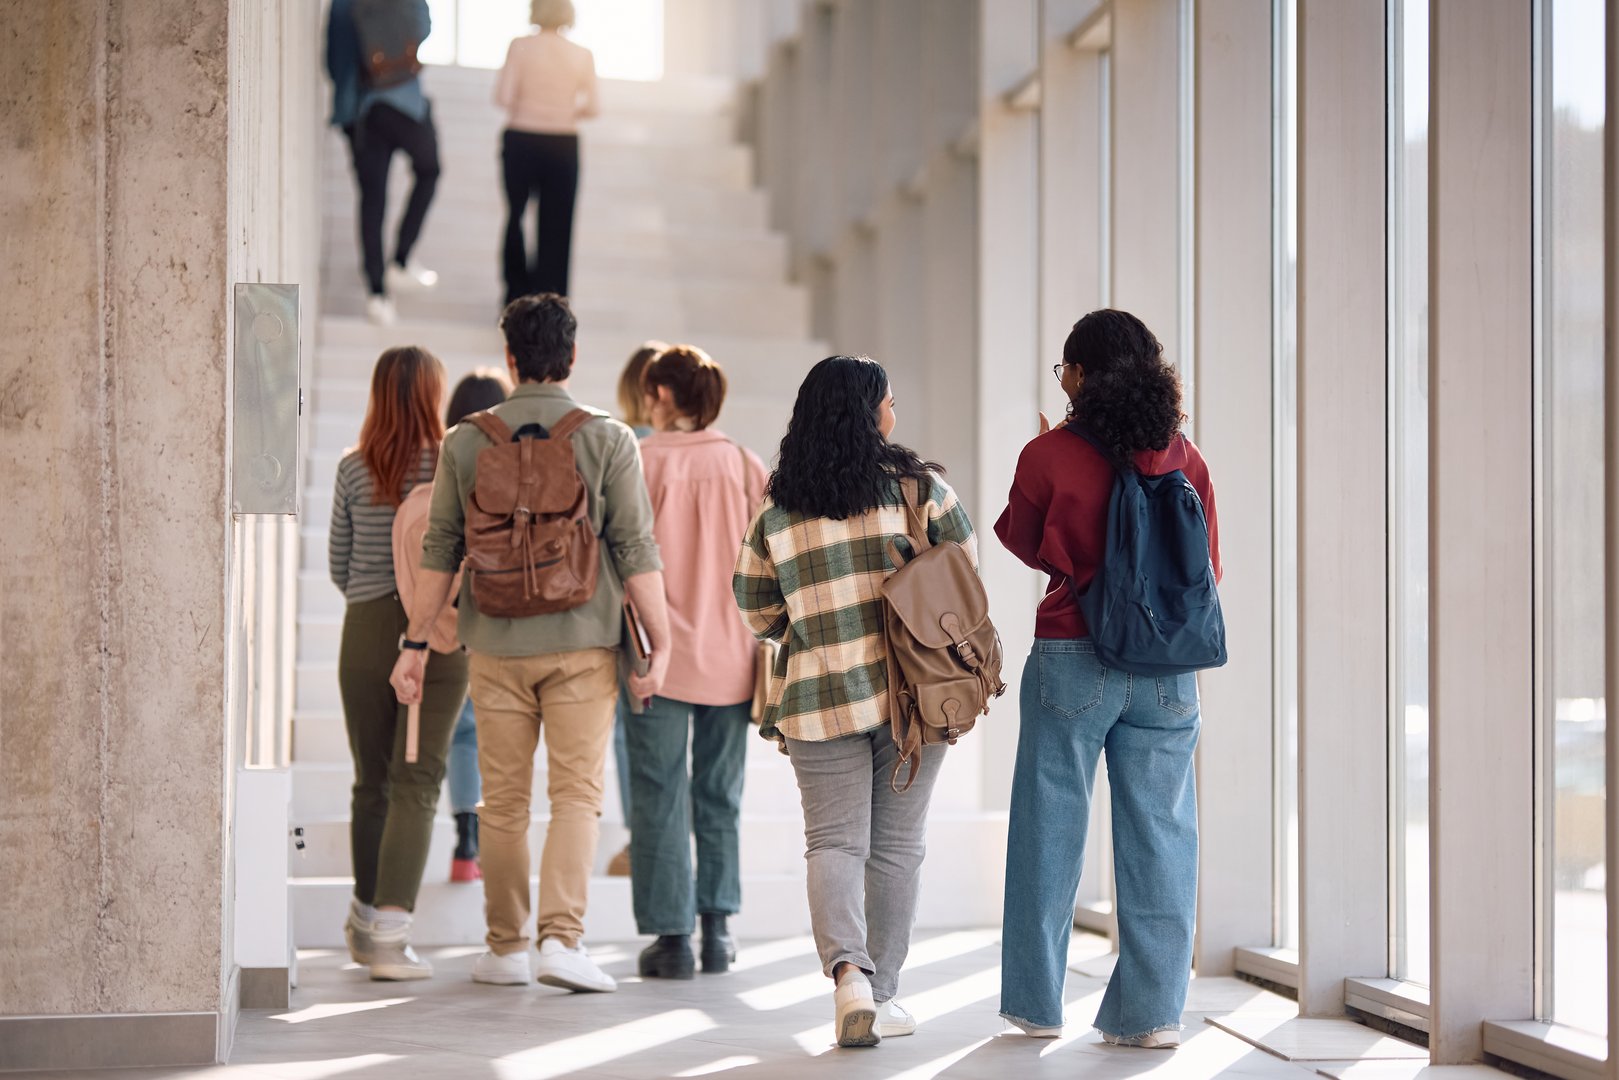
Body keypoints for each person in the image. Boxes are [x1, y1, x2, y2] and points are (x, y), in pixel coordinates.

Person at [390, 293, 668, 994]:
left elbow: (441, 553)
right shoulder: (608, 438)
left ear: (511, 359)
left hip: (495, 644)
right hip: (583, 642)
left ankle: (506, 948)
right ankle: (561, 941)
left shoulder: (465, 440)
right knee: (576, 796)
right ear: (569, 358)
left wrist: (415, 644)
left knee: (504, 803)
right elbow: (635, 547)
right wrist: (659, 640)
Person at [733, 356, 978, 1047]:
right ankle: (886, 992)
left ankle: (849, 979)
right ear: (872, 414)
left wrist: (807, 632)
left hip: (818, 697)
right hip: (919, 695)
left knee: (833, 842)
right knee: (897, 847)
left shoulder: (778, 509)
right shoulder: (920, 492)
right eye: (890, 403)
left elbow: (753, 605)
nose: (894, 414)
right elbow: (965, 579)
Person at [995, 309, 1221, 1049]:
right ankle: (1150, 1014)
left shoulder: (1049, 453)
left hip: (1073, 653)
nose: (1059, 378)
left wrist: (1049, 465)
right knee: (1161, 836)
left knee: (1047, 828)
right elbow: (1207, 572)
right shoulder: (1184, 457)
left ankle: (1034, 1005)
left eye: (1064, 367)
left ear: (1081, 376)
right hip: (1167, 672)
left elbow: (1027, 546)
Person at [329, 346, 469, 981]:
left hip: (363, 627)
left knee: (370, 781)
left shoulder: (353, 469)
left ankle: (363, 922)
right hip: (436, 629)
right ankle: (390, 933)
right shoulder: (452, 465)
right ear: (432, 395)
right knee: (418, 775)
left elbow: (339, 564)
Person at [629, 345, 768, 979]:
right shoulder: (744, 464)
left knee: (658, 794)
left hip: (655, 654)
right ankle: (718, 931)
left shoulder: (637, 459)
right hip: (732, 656)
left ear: (660, 396)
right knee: (720, 793)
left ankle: (671, 938)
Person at [393, 369, 515, 885]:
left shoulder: (443, 466)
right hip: (498, 623)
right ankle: (489, 843)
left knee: (462, 734)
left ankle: (466, 840)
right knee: (494, 734)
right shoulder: (513, 469)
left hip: (439, 623)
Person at [325, 0, 442, 327]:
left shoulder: (343, 4)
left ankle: (377, 295)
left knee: (372, 199)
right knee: (429, 170)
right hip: (406, 102)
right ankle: (401, 259)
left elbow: (333, 62)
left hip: (363, 111)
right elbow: (424, 28)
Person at [605, 341, 667, 878]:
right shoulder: (712, 452)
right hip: (696, 611)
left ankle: (643, 841)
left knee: (635, 731)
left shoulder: (621, 448)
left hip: (635, 614)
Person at [494, 0, 600, 304]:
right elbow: (594, 106)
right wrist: (563, 109)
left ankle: (515, 296)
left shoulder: (520, 47)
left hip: (521, 137)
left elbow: (503, 97)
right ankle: (551, 302)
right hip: (563, 141)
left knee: (515, 216)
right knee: (558, 226)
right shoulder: (581, 54)